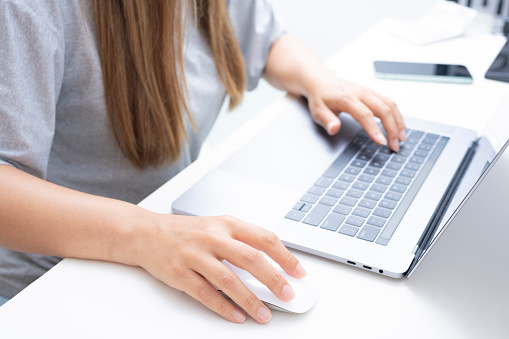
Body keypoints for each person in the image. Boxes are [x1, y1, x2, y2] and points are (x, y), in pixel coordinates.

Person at [0, 0, 406, 324]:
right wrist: (147, 233)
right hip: (51, 282)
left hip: (163, 233)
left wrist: (319, 79)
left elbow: (266, 40)